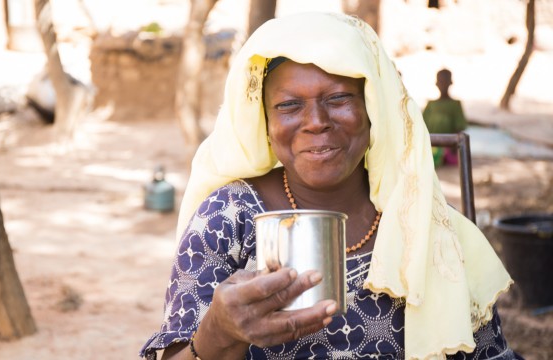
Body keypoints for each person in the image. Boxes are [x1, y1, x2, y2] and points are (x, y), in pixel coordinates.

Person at [140, 12, 519, 360]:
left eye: (338, 99)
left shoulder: (426, 225)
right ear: (266, 123)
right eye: (289, 106)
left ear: (373, 110)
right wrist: (218, 332)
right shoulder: (227, 218)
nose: (316, 122)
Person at [423, 68, 468, 166]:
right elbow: (422, 126)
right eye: (441, 81)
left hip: (449, 148)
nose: (443, 85)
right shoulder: (430, 104)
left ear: (450, 82)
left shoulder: (455, 104)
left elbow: (459, 128)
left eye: (445, 81)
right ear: (436, 83)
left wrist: (454, 148)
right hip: (431, 147)